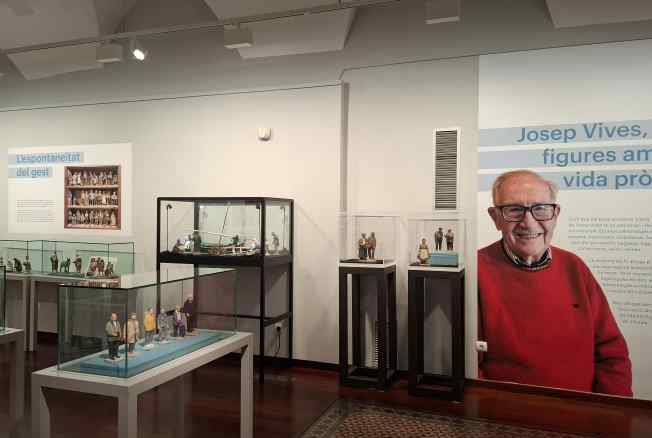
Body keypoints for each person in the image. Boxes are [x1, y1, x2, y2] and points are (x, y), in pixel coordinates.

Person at [478, 169, 632, 396]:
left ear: (555, 214)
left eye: (540, 208)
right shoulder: (476, 272)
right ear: (495, 217)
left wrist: (613, 410)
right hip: (508, 414)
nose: (529, 223)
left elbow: (611, 353)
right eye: (514, 210)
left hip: (583, 412)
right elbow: (469, 367)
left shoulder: (574, 267)